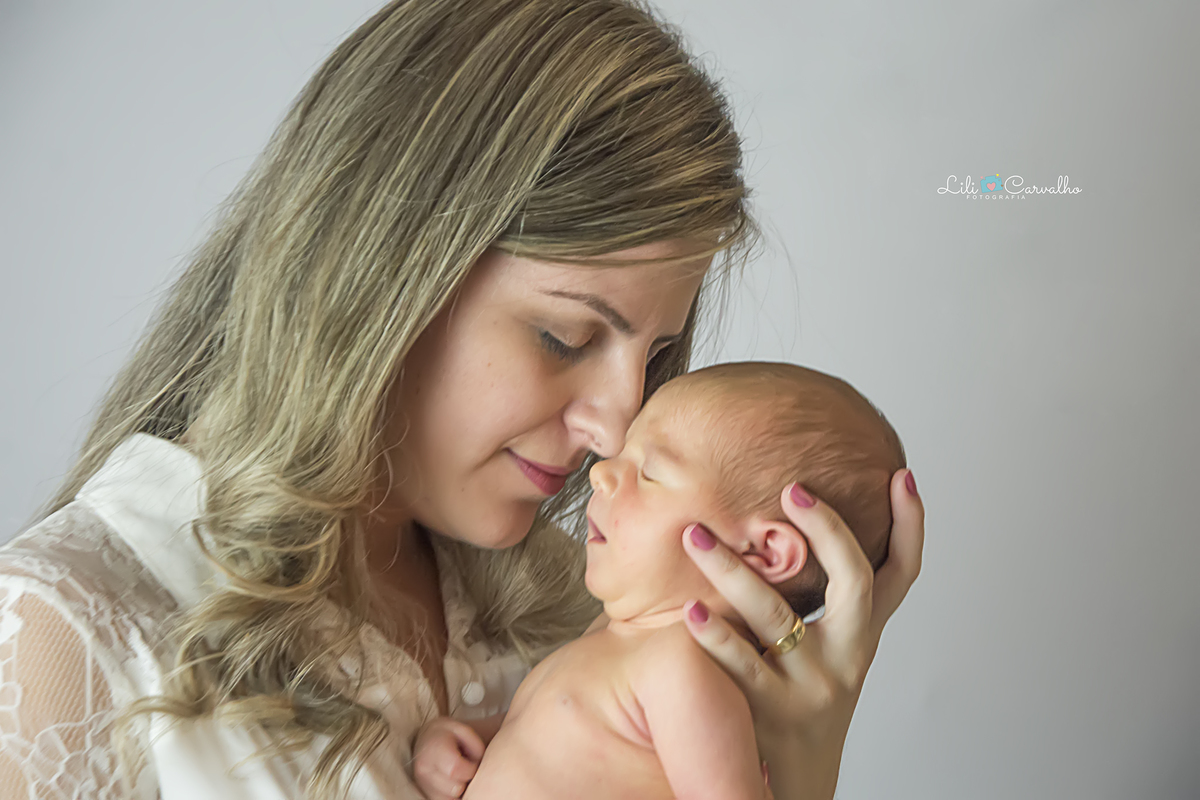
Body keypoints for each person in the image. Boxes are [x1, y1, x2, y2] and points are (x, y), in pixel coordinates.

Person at [0, 1, 924, 799]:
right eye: (564, 337)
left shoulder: (580, 602)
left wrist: (798, 759)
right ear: (380, 268)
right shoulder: (69, 637)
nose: (614, 428)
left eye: (657, 357)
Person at [411, 362, 904, 800]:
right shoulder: (611, 638)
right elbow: (551, 739)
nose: (602, 473)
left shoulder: (681, 670)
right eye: (623, 454)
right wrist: (467, 743)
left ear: (765, 552)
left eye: (648, 471)